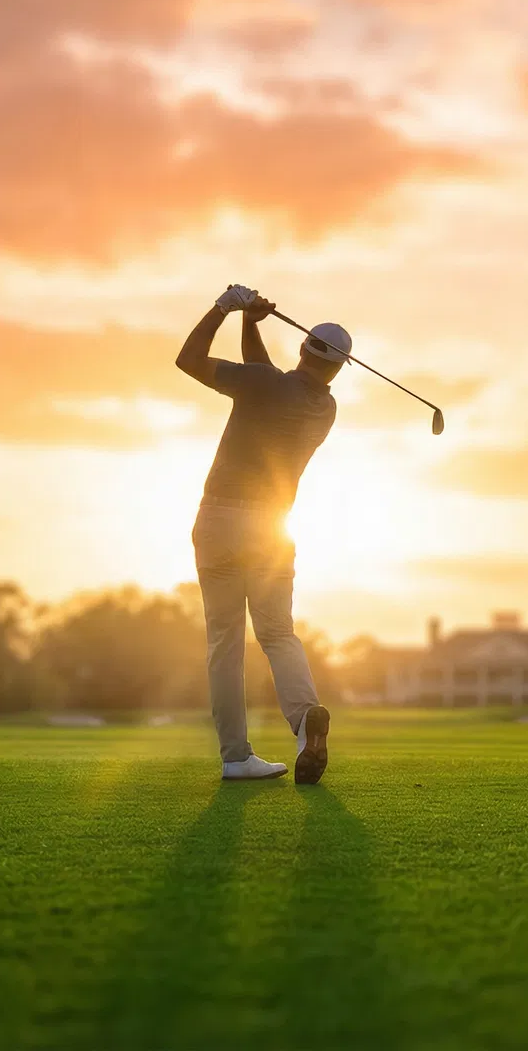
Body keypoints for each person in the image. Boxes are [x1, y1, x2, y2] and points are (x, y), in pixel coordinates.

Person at [174, 284, 350, 783]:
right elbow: (265, 376)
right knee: (276, 633)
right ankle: (303, 718)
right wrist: (251, 322)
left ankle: (235, 757)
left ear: (302, 348)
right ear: (337, 369)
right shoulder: (324, 409)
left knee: (225, 642)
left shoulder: (263, 385)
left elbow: (189, 360)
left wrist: (224, 309)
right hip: (271, 528)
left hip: (219, 521)